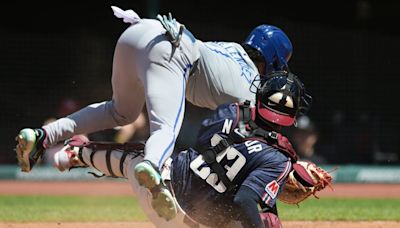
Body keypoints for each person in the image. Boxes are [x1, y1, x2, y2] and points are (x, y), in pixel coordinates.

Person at [14, 6, 293, 220]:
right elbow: (258, 151)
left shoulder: (231, 49)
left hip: (137, 32)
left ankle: (43, 135)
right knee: (165, 131)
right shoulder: (252, 88)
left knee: (120, 112)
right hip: (170, 50)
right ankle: (153, 171)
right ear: (274, 61)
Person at [52, 70, 312, 227]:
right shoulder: (279, 159)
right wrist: (270, 202)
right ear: (293, 114)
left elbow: (203, 140)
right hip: (195, 222)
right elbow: (245, 199)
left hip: (169, 184)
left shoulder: (232, 111)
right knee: (245, 214)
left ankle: (80, 154)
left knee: (142, 157)